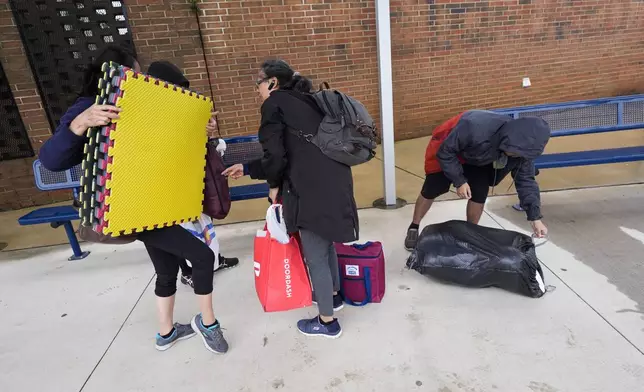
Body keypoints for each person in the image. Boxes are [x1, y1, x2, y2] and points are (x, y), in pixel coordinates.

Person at [39, 46, 229, 354]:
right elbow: (50, 159)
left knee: (167, 271)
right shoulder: (91, 106)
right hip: (128, 208)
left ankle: (166, 333)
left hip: (155, 205)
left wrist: (201, 130)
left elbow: (170, 149)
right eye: (135, 72)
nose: (140, 78)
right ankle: (208, 325)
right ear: (115, 73)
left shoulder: (144, 106)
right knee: (204, 257)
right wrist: (81, 123)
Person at [223, 59, 358, 339]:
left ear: (272, 82)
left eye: (258, 84)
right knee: (326, 244)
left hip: (310, 189)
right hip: (334, 181)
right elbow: (290, 151)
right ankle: (332, 297)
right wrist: (248, 168)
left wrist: (273, 184)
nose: (256, 90)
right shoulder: (307, 101)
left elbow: (276, 156)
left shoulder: (274, 104)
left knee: (316, 255)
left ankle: (327, 322)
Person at [145, 61, 239, 288]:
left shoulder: (183, 105)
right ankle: (188, 270)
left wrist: (206, 128)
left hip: (191, 174)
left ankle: (213, 259)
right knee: (181, 227)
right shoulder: (149, 112)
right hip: (168, 179)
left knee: (201, 221)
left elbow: (192, 139)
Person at [404, 110, 551, 250]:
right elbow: (445, 152)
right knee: (431, 188)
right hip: (451, 149)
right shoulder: (473, 126)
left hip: (479, 158)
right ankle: (414, 226)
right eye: (512, 151)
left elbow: (526, 182)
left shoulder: (523, 152)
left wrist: (534, 218)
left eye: (517, 154)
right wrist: (460, 181)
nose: (513, 155)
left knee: (479, 192)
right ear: (509, 138)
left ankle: (469, 233)